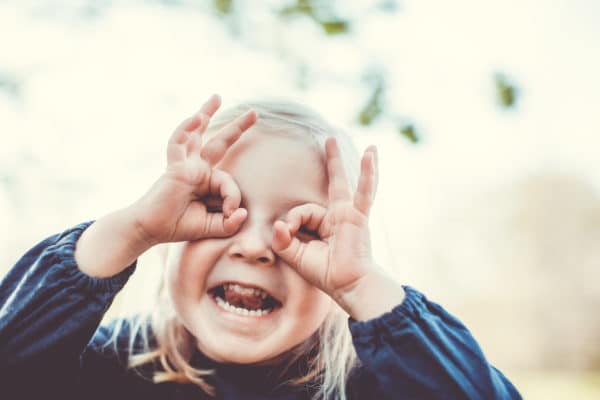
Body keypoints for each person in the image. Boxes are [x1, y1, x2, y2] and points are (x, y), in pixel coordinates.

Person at [0, 94, 522, 399]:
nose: (255, 247)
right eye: (216, 209)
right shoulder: (113, 362)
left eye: (306, 229)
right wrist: (128, 231)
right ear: (168, 243)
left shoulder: (373, 383)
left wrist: (366, 287)